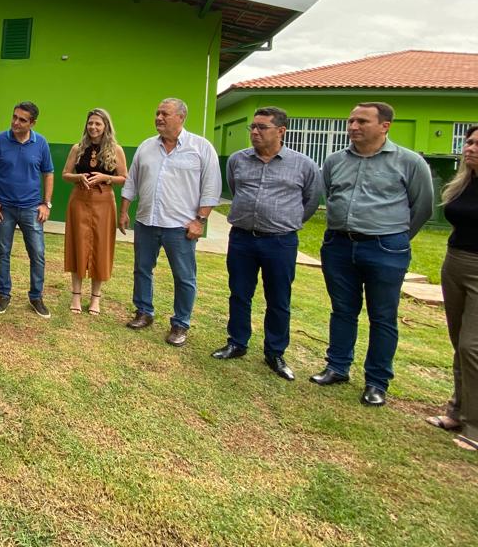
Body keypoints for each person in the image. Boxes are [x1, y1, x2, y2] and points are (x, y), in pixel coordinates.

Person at [310, 102, 434, 407]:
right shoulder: (335, 160)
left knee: (382, 316)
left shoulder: (409, 162)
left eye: (362, 121)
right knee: (342, 309)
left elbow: (422, 207)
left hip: (385, 248)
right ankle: (337, 367)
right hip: (339, 245)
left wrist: (395, 238)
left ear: (384, 126)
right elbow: (328, 194)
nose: (353, 126)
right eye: (351, 120)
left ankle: (377, 381)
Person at [210, 107, 322, 380]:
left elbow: (311, 201)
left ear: (281, 131)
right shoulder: (238, 160)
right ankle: (237, 342)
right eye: (252, 127)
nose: (255, 132)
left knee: (278, 298)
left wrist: (286, 221)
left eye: (262, 127)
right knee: (239, 292)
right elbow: (235, 188)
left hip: (280, 242)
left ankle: (275, 352)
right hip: (242, 238)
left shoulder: (303, 165)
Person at [119, 98, 221, 346]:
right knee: (142, 269)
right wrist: (124, 211)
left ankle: (180, 324)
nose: (159, 118)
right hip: (147, 222)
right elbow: (132, 182)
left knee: (184, 276)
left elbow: (211, 187)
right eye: (157, 113)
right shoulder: (146, 147)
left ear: (181, 117)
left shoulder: (201, 147)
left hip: (180, 227)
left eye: (165, 114)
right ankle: (144, 312)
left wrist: (200, 221)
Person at [427, 124, 478, 451]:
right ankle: (457, 411)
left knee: (472, 346)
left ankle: (475, 425)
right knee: (459, 342)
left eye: (477, 144)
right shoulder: (465, 183)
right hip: (455, 262)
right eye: (469, 142)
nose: (470, 148)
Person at [0, 102, 55, 318]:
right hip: (3, 209)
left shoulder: (41, 143)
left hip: (32, 209)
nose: (16, 122)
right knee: (3, 253)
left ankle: (36, 297)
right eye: (14, 117)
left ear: (32, 123)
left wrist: (46, 204)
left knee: (38, 254)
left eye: (22, 120)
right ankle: (3, 295)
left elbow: (48, 173)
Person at [62, 108, 127, 315]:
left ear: (106, 126)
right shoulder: (78, 148)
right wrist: (78, 177)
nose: (93, 127)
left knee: (101, 247)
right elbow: (65, 174)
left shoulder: (116, 150)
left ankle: (95, 298)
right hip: (79, 200)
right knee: (77, 245)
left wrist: (105, 178)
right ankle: (76, 296)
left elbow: (123, 178)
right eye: (90, 123)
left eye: (98, 123)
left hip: (104, 201)